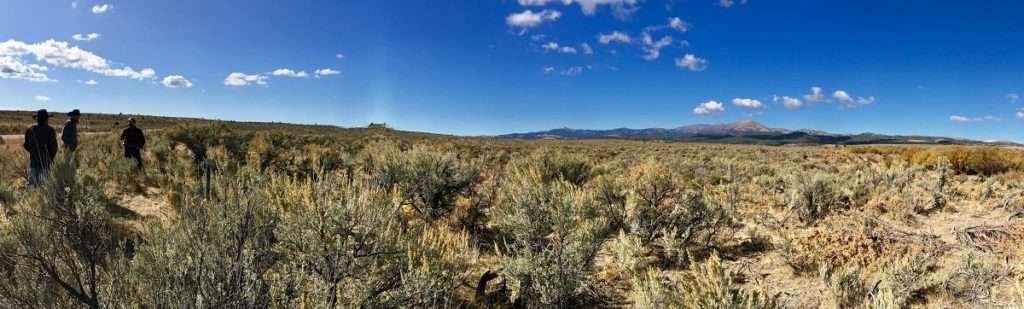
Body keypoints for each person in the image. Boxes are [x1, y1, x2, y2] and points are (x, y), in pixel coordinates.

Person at [23, 109, 59, 186]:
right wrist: (51, 158)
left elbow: (26, 146)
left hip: (33, 162)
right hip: (45, 163)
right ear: (46, 119)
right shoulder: (50, 130)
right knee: (44, 185)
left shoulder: (30, 130)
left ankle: (31, 197)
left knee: (32, 184)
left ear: (37, 119)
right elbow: (53, 148)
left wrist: (33, 152)